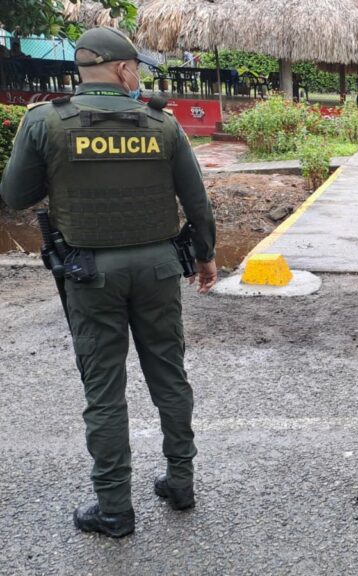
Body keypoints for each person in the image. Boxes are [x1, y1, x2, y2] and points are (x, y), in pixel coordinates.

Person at [0, 26, 217, 538]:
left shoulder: (44, 121)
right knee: (169, 376)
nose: (139, 75)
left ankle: (115, 508)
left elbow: (16, 194)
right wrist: (205, 258)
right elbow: (198, 202)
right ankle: (180, 483)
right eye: (136, 68)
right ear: (123, 70)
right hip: (161, 266)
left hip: (89, 272)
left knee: (104, 391)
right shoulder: (162, 124)